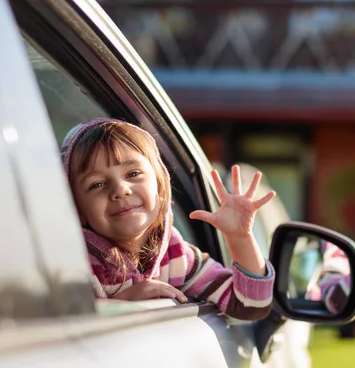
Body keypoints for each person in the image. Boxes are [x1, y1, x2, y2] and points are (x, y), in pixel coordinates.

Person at [60, 118, 276, 320]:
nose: (121, 189)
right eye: (97, 184)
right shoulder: (77, 266)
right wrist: (124, 303)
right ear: (77, 209)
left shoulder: (177, 256)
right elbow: (67, 329)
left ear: (161, 188)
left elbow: (249, 307)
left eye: (133, 174)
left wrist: (240, 237)